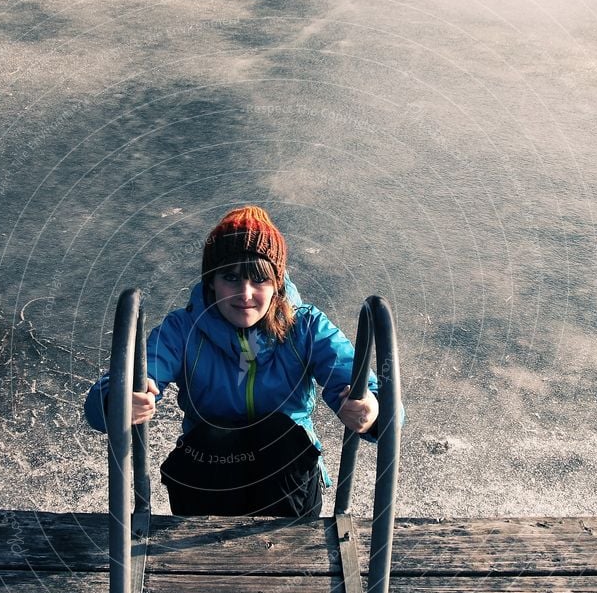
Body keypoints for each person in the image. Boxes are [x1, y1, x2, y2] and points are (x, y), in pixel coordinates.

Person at [85, 205, 392, 519]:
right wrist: (121, 400)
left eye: (259, 280)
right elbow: (110, 393)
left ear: (277, 286)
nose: (245, 293)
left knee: (279, 432)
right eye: (231, 277)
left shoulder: (307, 327)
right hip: (211, 472)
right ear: (211, 282)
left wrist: (370, 409)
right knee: (207, 436)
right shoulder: (183, 329)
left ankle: (285, 547)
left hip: (287, 483)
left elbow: (375, 396)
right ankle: (202, 546)